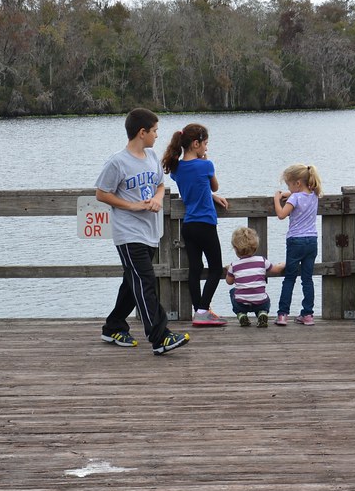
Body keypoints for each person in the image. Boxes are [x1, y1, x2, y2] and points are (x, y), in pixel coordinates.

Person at [96, 108, 189, 356]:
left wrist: (158, 198)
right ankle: (159, 336)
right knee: (145, 281)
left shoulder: (150, 157)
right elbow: (102, 193)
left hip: (150, 232)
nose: (158, 135)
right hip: (128, 234)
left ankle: (113, 326)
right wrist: (132, 205)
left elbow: (160, 184)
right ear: (142, 132)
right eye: (155, 131)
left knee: (132, 282)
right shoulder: (118, 162)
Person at [161, 123, 229, 327]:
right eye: (205, 144)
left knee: (195, 269)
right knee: (216, 268)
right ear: (195, 143)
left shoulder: (176, 169)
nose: (206, 148)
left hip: (189, 225)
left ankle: (199, 311)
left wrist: (211, 196)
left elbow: (195, 187)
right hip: (206, 224)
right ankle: (202, 310)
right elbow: (214, 185)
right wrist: (205, 163)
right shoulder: (206, 165)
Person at [274, 164, 322, 326]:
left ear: (298, 183)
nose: (288, 188)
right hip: (312, 241)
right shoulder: (314, 195)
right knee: (307, 279)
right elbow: (302, 194)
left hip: (295, 242)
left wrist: (277, 199)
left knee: (289, 278)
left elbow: (281, 215)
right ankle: (308, 314)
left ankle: (282, 314)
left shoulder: (294, 198)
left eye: (289, 184)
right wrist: (290, 192)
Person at [225, 227, 284, 328]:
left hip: (241, 303)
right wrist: (283, 264)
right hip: (260, 302)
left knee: (232, 292)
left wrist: (229, 270)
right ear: (255, 247)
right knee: (264, 296)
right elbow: (276, 269)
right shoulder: (261, 260)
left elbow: (229, 282)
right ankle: (262, 313)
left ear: (235, 248)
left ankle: (241, 314)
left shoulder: (234, 265)